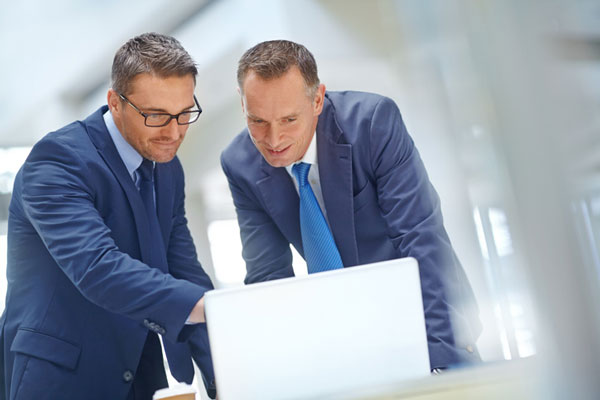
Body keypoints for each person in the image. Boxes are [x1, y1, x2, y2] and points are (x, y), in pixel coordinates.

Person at [221, 40, 482, 371]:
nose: (273, 140)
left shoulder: (373, 124)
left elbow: (421, 239)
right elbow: (268, 277)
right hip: (344, 343)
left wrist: (442, 361)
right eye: (258, 121)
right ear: (242, 106)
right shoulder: (239, 163)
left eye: (289, 119)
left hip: (425, 318)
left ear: (317, 100)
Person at [0, 33, 217, 400]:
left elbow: (183, 271)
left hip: (142, 377)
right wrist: (208, 307)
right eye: (157, 116)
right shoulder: (56, 161)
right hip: (61, 380)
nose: (175, 131)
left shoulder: (168, 169)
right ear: (115, 103)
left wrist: (222, 374)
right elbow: (98, 268)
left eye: (184, 113)